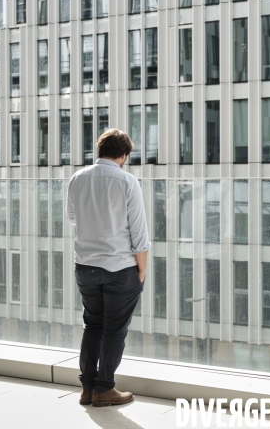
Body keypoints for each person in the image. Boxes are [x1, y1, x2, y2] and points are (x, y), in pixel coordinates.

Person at [66, 128, 151, 407]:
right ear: (124, 155)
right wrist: (141, 273)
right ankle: (105, 389)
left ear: (99, 151)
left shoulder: (77, 178)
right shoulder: (128, 182)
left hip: (85, 266)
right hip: (119, 267)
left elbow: (72, 217)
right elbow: (139, 234)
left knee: (92, 325)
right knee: (115, 330)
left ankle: (87, 389)